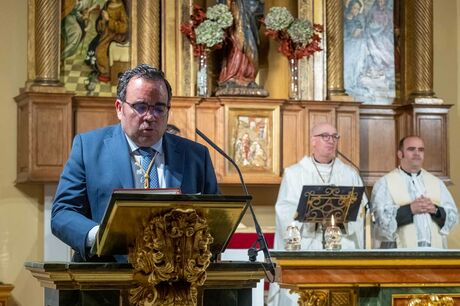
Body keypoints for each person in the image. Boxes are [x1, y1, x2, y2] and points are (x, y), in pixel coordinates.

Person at [51, 64, 219, 262]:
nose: (150, 117)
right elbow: (63, 212)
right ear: (120, 108)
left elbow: (215, 220)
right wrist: (100, 236)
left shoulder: (195, 155)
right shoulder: (88, 148)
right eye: (141, 107)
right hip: (107, 277)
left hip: (178, 280)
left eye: (159, 108)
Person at [267, 122, 367, 306]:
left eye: (335, 137)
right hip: (307, 246)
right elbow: (285, 212)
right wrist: (311, 216)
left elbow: (362, 211)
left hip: (340, 248)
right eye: (325, 136)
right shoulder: (294, 173)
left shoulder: (350, 174)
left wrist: (341, 219)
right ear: (313, 140)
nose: (331, 141)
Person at [371, 136, 458, 249]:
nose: (417, 153)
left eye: (421, 150)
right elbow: (379, 223)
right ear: (400, 154)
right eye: (411, 149)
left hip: (434, 253)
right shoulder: (385, 183)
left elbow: (453, 217)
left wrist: (435, 210)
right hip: (398, 254)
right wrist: (409, 210)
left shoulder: (437, 183)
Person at [217, 0, 264, 89]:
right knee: (233, 44)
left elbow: (257, 7)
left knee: (248, 43)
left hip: (247, 20)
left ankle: (247, 76)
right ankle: (232, 74)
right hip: (233, 15)